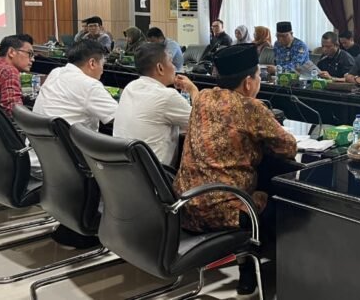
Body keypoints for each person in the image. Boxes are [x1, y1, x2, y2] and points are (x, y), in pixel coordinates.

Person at [173, 44, 297, 295]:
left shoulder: (203, 97)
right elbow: (289, 147)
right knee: (285, 204)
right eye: (258, 76)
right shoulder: (250, 107)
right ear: (248, 83)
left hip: (185, 205)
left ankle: (247, 271)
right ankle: (278, 276)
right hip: (224, 213)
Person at [113, 43, 197, 168]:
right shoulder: (167, 96)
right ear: (160, 68)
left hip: (125, 171)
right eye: (171, 61)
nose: (174, 67)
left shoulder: (130, 87)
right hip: (156, 175)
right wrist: (193, 90)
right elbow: (203, 120)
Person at [33, 40, 117, 131]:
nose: (102, 70)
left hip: (37, 137)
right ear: (92, 63)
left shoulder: (56, 72)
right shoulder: (90, 85)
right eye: (102, 64)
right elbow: (120, 117)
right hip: (68, 139)